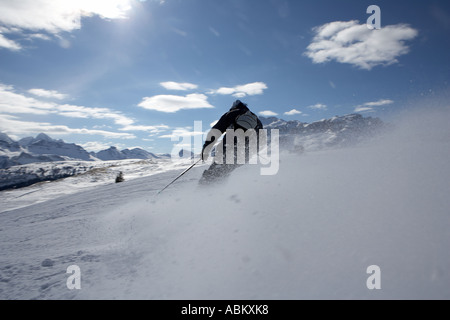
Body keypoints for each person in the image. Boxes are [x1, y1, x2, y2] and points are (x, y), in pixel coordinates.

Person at [199, 100, 263, 185]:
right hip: (243, 156)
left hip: (227, 152)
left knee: (211, 175)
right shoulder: (257, 121)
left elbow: (215, 132)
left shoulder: (232, 113)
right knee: (223, 173)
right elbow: (259, 143)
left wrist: (205, 149)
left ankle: (202, 194)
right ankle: (218, 195)